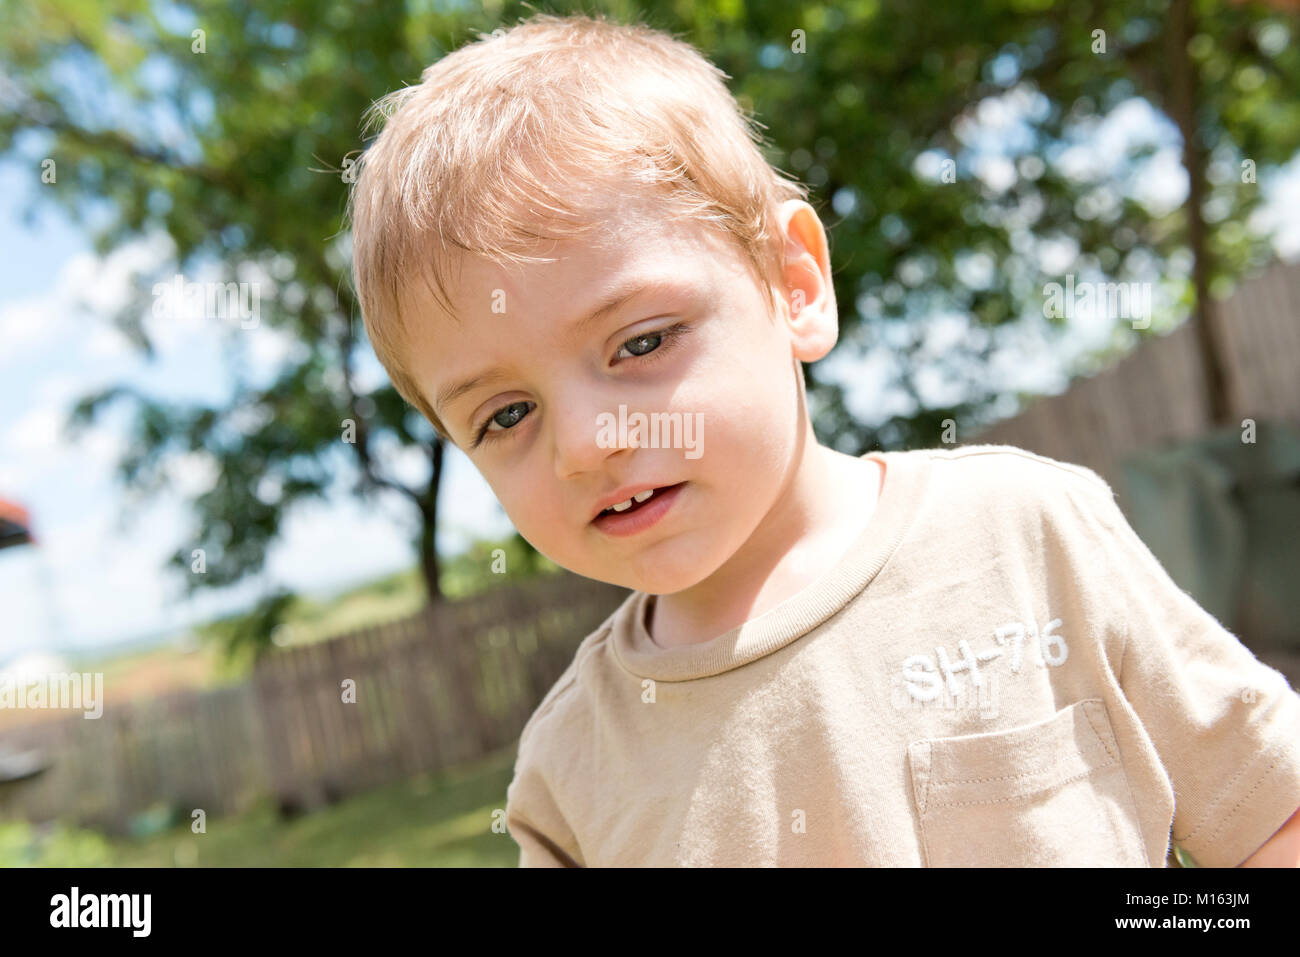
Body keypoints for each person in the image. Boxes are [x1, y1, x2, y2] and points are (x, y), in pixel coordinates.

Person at [346, 12, 1300, 867]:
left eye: (640, 342)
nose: (587, 444)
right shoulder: (569, 777)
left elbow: (1268, 814)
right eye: (505, 414)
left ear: (793, 283)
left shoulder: (1024, 531)